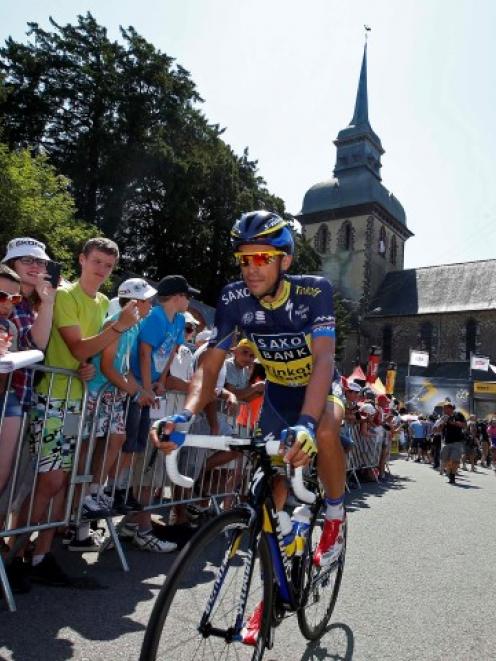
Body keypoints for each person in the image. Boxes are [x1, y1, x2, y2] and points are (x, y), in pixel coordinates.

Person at [154, 210, 346, 645]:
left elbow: (325, 362)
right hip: (277, 393)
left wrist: (308, 425)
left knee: (328, 432)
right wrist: (183, 415)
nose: (252, 266)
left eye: (262, 257)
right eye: (244, 258)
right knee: (268, 493)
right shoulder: (235, 297)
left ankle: (333, 514)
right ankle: (272, 593)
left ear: (285, 261)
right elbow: (209, 365)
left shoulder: (314, 291)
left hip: (316, 389)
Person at [27, 237, 140, 583]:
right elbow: (78, 348)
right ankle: (16, 553)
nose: (102, 270)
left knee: (62, 482)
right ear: (81, 260)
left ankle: (41, 557)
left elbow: (87, 356)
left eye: (108, 265)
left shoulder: (104, 301)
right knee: (49, 482)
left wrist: (86, 365)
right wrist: (117, 327)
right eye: (97, 263)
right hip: (52, 399)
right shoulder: (65, 296)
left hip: (77, 399)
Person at [117, 274, 199, 553]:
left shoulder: (177, 320)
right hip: (138, 389)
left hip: (154, 390)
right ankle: (138, 524)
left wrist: (161, 381)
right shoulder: (154, 317)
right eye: (187, 295)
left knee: (147, 455)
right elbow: (144, 351)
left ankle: (134, 522)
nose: (189, 300)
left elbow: (172, 351)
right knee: (139, 453)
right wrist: (143, 386)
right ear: (176, 296)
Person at [78, 277, 157, 526]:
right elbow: (107, 366)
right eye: (148, 302)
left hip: (112, 394)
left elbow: (123, 369)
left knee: (117, 439)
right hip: (97, 392)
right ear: (135, 302)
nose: (151, 307)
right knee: (89, 447)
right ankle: (82, 496)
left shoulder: (133, 326)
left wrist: (141, 391)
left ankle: (94, 491)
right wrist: (135, 392)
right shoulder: (115, 324)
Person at [438, 401, 466, 485]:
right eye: (443, 409)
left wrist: (453, 423)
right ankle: (449, 471)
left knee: (455, 460)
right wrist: (442, 422)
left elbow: (464, 425)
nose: (443, 410)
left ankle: (452, 476)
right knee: (445, 460)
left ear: (450, 408)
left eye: (444, 408)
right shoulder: (443, 417)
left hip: (457, 441)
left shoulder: (458, 415)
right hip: (446, 442)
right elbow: (439, 429)